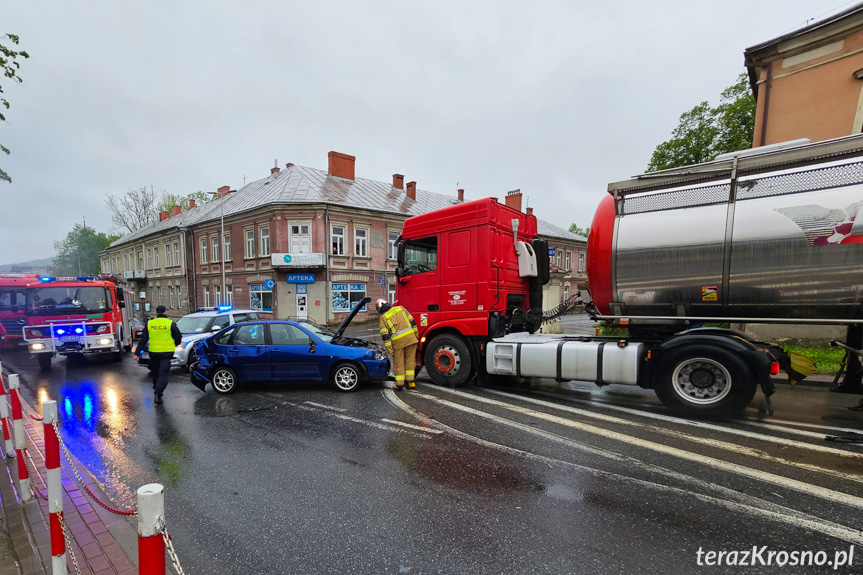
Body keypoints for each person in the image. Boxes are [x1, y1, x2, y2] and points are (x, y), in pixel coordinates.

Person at [134, 305, 181, 404]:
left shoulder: (150, 324)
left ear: (156, 313)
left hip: (154, 353)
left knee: (155, 373)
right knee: (163, 374)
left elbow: (143, 340)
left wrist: (137, 353)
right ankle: (158, 393)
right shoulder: (170, 323)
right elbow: (178, 336)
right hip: (166, 353)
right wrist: (174, 344)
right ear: (165, 312)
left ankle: (156, 389)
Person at [376, 299, 418, 391]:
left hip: (397, 343)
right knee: (410, 361)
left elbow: (385, 336)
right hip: (411, 339)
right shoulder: (401, 309)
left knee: (398, 363)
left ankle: (399, 384)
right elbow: (413, 322)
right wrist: (415, 337)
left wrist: (389, 350)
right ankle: (411, 382)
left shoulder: (383, 318)